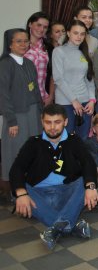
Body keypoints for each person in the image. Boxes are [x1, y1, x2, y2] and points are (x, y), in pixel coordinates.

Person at [10, 104, 98, 249]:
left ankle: (57, 228)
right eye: (48, 122)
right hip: (40, 196)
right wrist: (21, 194)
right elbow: (17, 169)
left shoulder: (73, 140)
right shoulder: (33, 142)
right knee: (19, 190)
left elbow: (88, 163)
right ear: (42, 121)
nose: (52, 127)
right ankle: (70, 224)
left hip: (66, 194)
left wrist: (90, 187)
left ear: (65, 122)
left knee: (86, 182)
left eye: (57, 122)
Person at [0, 29, 44, 194]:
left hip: (33, 114)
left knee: (33, 150)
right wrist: (11, 121)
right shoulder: (5, 64)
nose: (23, 44)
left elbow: (36, 91)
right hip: (16, 117)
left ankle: (32, 187)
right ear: (10, 44)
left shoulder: (28, 63)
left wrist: (41, 113)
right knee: (16, 152)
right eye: (19, 41)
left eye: (26, 41)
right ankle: (16, 190)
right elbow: (3, 96)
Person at [52, 21, 95, 140]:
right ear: (68, 33)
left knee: (83, 140)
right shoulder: (59, 51)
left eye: (82, 34)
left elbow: (89, 79)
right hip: (66, 103)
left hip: (85, 103)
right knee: (66, 140)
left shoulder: (84, 52)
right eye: (76, 33)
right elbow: (58, 79)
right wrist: (74, 101)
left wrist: (92, 100)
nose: (79, 37)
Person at [24, 12, 51, 105]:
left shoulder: (48, 47)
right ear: (30, 24)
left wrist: (50, 97)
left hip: (42, 97)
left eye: (45, 27)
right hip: (23, 96)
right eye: (38, 25)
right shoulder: (20, 44)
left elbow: (52, 74)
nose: (41, 29)